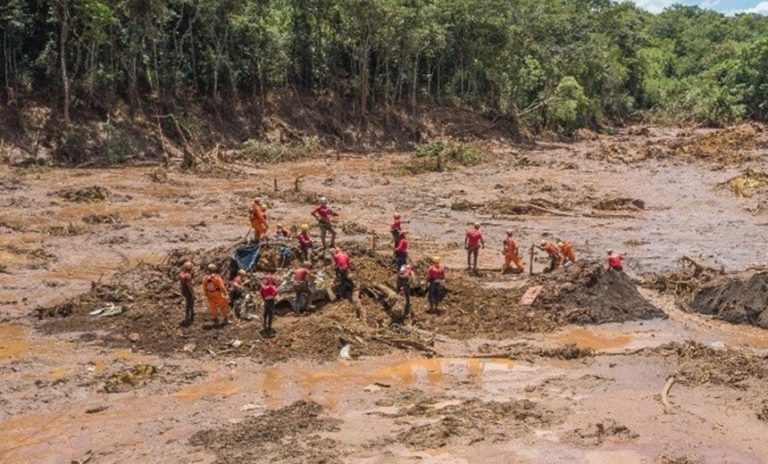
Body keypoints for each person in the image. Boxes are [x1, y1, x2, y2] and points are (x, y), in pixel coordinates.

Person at [178, 261, 195, 325]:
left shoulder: (181, 274)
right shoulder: (188, 276)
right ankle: (188, 316)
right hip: (188, 291)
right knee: (189, 302)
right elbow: (189, 285)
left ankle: (191, 313)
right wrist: (192, 293)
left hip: (184, 290)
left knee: (189, 302)